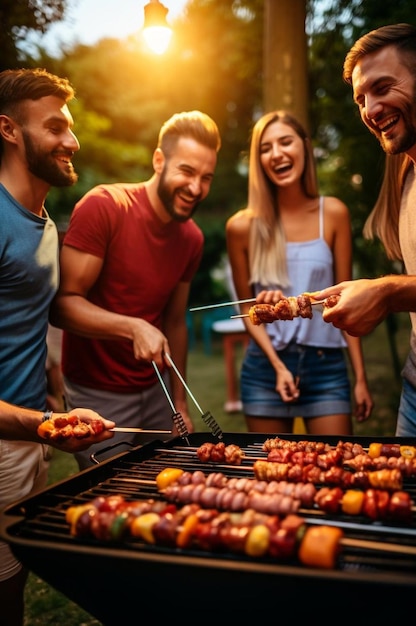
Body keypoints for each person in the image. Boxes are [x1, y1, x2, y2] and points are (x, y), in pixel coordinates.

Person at [313, 23, 416, 442]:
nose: (370, 108)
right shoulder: (404, 165)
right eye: (361, 98)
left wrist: (387, 292)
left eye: (383, 87)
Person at [0, 67, 115, 626]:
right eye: (55, 127)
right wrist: (38, 425)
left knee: (14, 586)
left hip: (30, 433)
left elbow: (31, 326)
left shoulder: (44, 224)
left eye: (69, 127)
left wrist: (57, 415)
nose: (72, 141)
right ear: (9, 130)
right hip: (5, 438)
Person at [50, 110, 221, 470]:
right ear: (159, 160)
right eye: (187, 172)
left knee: (167, 492)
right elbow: (62, 306)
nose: (196, 188)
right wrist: (134, 327)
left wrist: (179, 402)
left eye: (206, 178)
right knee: (111, 502)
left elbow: (175, 322)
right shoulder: (105, 207)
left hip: (157, 392)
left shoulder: (191, 238)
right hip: (98, 394)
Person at [225, 110, 373, 435]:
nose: (276, 153)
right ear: (259, 160)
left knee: (334, 469)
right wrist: (278, 365)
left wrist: (360, 378)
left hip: (326, 366)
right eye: (265, 148)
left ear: (304, 146)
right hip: (265, 368)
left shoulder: (333, 213)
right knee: (272, 479)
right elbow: (245, 311)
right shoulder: (241, 226)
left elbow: (344, 301)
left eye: (285, 142)